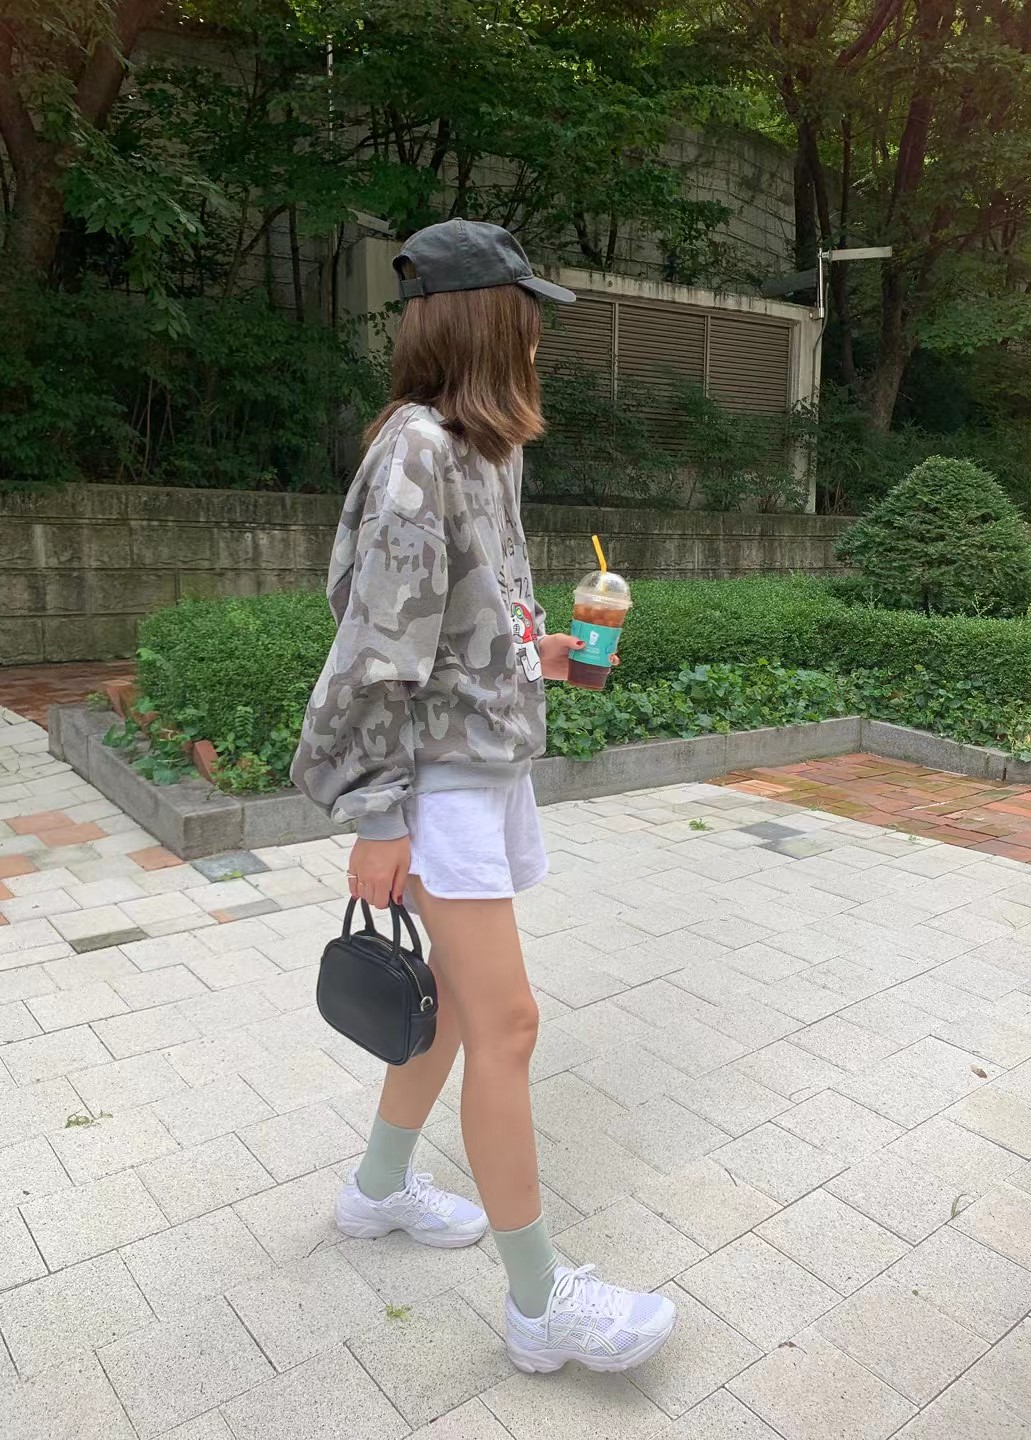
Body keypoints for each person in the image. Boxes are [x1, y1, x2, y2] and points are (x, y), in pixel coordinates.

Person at [291, 219, 676, 1374]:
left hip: (482, 765)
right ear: (484, 323)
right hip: (439, 782)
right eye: (528, 318)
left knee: (459, 1010)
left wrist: (538, 652)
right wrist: (378, 818)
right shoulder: (416, 450)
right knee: (507, 1023)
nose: (540, 341)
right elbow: (373, 647)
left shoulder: (482, 452)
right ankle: (540, 1305)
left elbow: (463, 620)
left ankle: (376, 1192)